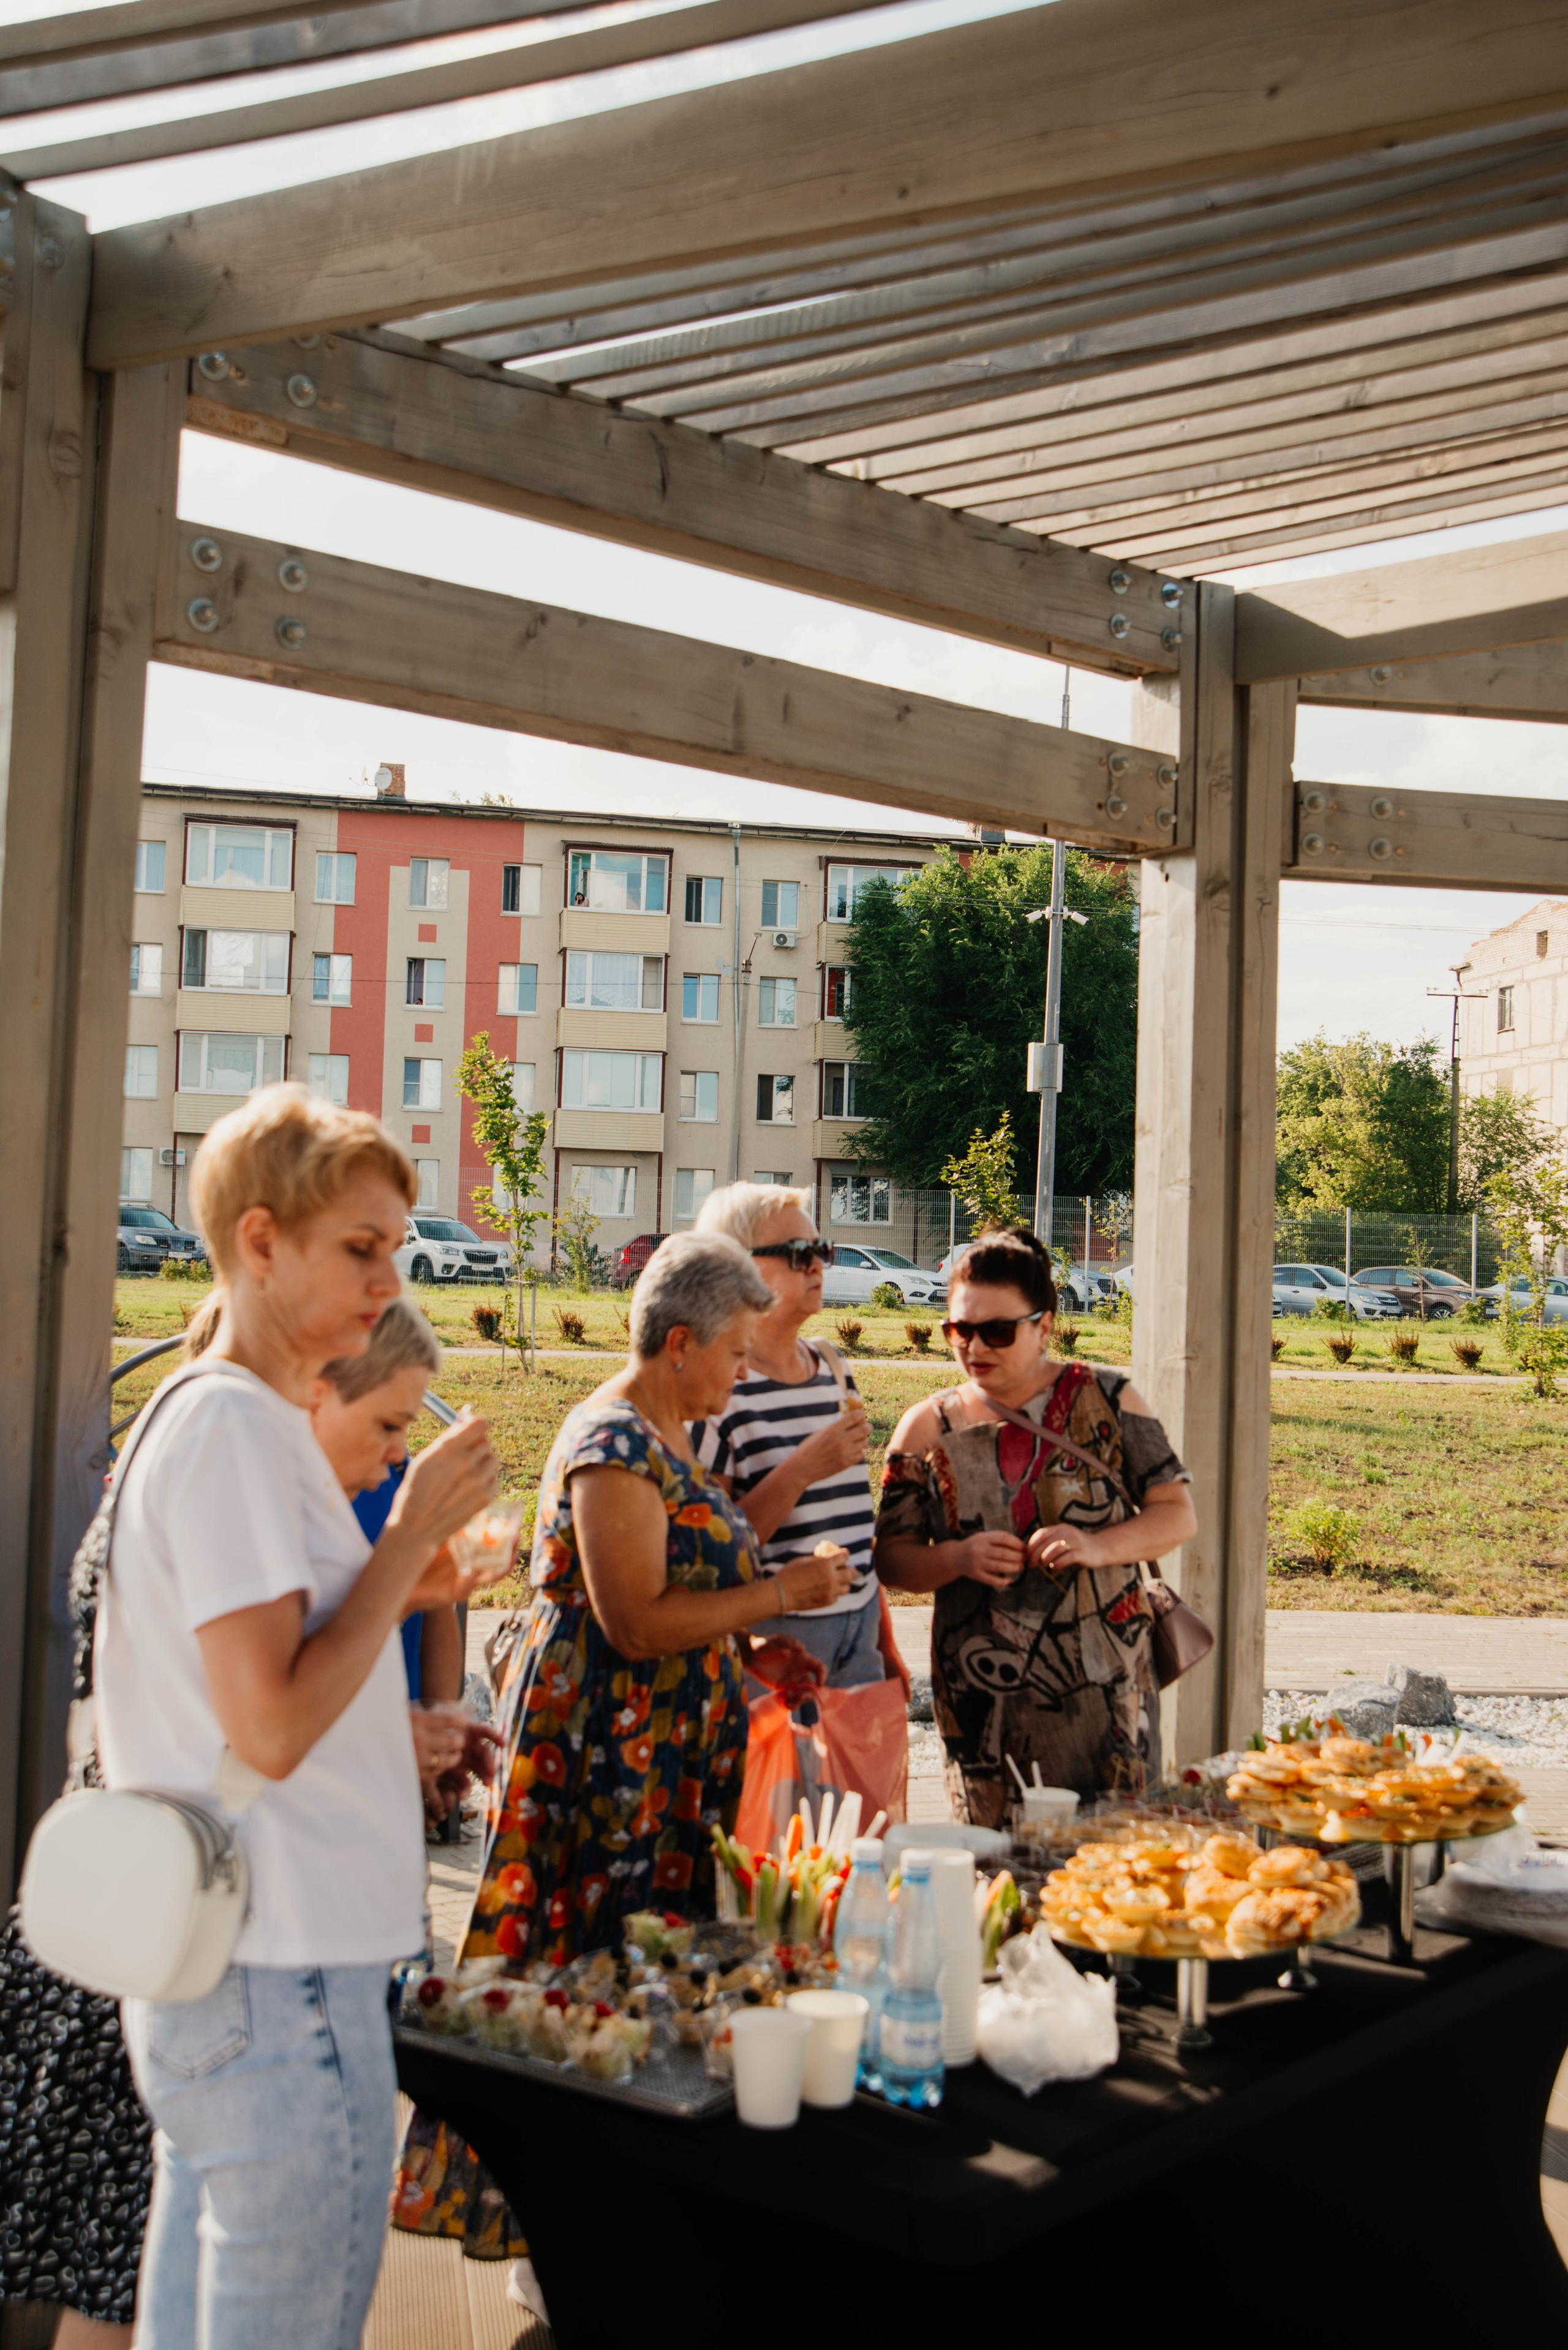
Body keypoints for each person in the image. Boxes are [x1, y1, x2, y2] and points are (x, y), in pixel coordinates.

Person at [96, 1084, 505, 2350]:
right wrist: (413, 1536)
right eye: (362, 1246)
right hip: (283, 1977)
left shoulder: (225, 1415)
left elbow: (257, 1693)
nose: (391, 1278)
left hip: (245, 1972)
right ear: (261, 1242)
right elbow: (269, 1724)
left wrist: (406, 1591)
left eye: (397, 1245)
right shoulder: (235, 1427)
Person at [393, 1231, 851, 2265]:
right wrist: (782, 1592)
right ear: (679, 1343)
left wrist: (752, 1652)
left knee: (642, 1976)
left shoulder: (671, 1431)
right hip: (605, 1765)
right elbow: (635, 1620)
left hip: (665, 1755)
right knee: (580, 1978)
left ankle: (622, 2219)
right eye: (734, 1352)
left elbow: (681, 1593)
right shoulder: (612, 1442)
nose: (742, 1373)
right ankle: (550, 2234)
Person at [875, 1226, 1196, 1824]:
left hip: (1110, 1699)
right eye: (958, 1329)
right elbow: (890, 1558)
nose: (975, 1346)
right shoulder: (926, 1427)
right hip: (983, 1712)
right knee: (998, 1864)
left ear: (1044, 1326)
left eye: (997, 1330)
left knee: (1119, 1859)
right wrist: (958, 1558)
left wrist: (1096, 1545)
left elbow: (1176, 1514)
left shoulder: (1108, 1399)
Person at [690, 1181, 908, 1694]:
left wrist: (886, 1645)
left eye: (821, 1249)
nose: (817, 1265)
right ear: (734, 1268)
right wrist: (802, 1469)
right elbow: (712, 1554)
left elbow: (852, 1528)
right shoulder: (717, 1390)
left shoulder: (832, 1365)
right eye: (797, 1253)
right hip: (776, 1642)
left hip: (859, 1626)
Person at [310, 1297, 502, 1821]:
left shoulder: (389, 1475)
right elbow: (273, 1716)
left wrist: (439, 1728)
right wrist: (391, 1740)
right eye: (388, 1425)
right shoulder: (279, 1509)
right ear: (315, 1396)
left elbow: (434, 1607)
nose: (399, 1450)